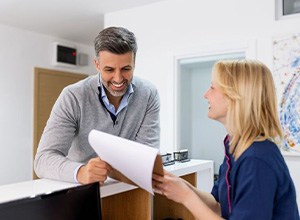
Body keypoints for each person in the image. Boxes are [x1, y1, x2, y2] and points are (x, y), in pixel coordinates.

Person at [152, 59, 299, 219]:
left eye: (213, 88)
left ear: (234, 97)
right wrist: (179, 184)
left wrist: (186, 197)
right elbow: (218, 206)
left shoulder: (256, 159)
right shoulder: (236, 147)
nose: (205, 94)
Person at [34, 27, 160, 185]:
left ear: (134, 63)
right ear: (97, 65)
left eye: (126, 69)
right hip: (82, 191)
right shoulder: (73, 96)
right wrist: (80, 172)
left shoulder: (148, 94)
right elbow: (43, 160)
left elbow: (146, 155)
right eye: (109, 69)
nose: (118, 79)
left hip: (126, 189)